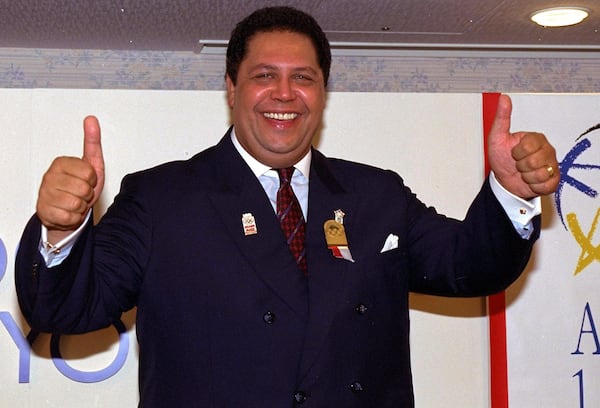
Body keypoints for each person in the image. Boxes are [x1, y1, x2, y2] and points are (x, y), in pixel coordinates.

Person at [15, 6, 560, 407]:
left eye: (303, 78)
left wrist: (510, 193)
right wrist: (59, 232)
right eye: (263, 77)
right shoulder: (162, 199)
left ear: (323, 92)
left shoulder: (376, 195)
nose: (284, 93)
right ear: (231, 88)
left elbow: (470, 265)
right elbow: (64, 310)